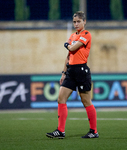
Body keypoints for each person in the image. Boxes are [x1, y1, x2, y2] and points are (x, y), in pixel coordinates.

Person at [46, 11, 99, 139]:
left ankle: (93, 131)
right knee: (61, 98)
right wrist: (64, 73)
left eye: (78, 21)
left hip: (81, 71)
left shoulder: (86, 34)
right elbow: (68, 56)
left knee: (86, 101)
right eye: (74, 22)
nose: (76, 24)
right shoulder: (72, 36)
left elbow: (73, 48)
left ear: (84, 22)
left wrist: (67, 45)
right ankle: (60, 131)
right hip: (71, 72)